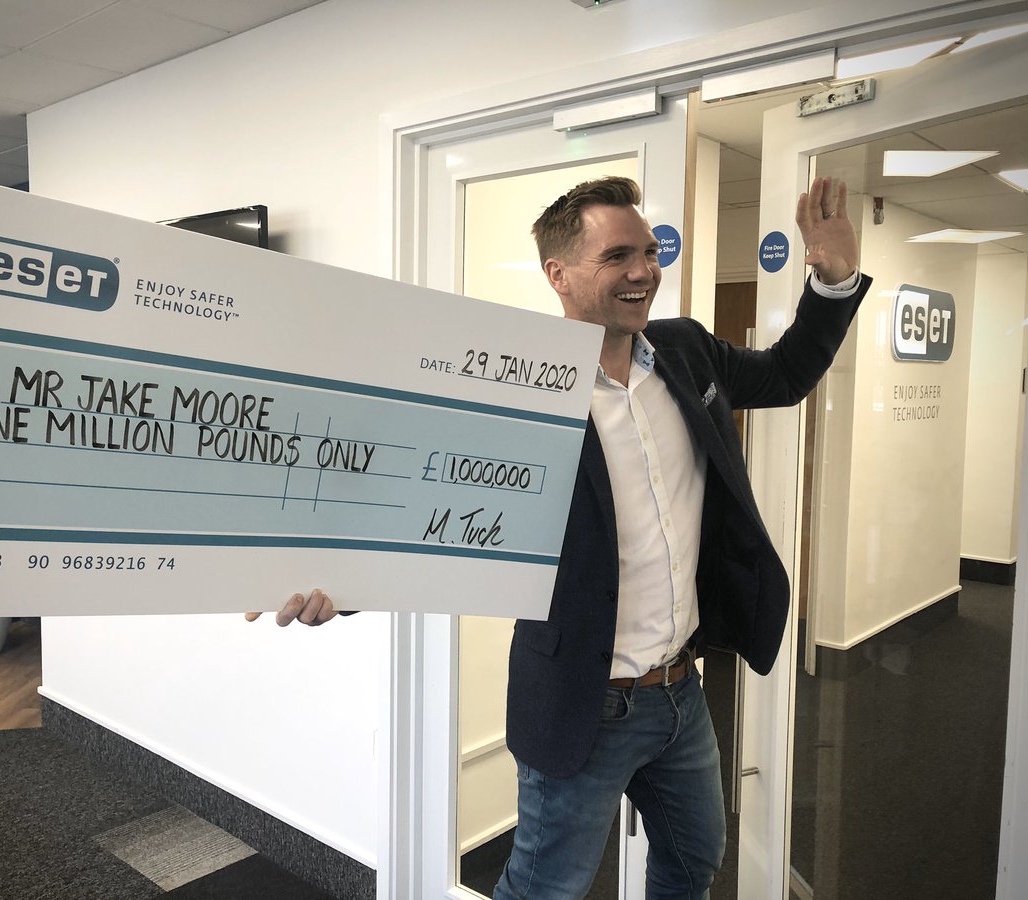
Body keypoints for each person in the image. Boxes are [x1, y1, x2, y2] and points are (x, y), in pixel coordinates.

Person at [253, 174, 869, 899]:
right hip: (582, 703)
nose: (643, 271)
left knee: (694, 861)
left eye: (648, 251)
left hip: (681, 691)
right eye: (617, 256)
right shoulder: (516, 390)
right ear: (559, 273)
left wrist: (833, 281)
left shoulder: (686, 353)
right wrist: (338, 585)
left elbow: (787, 375)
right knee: (545, 889)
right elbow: (427, 507)